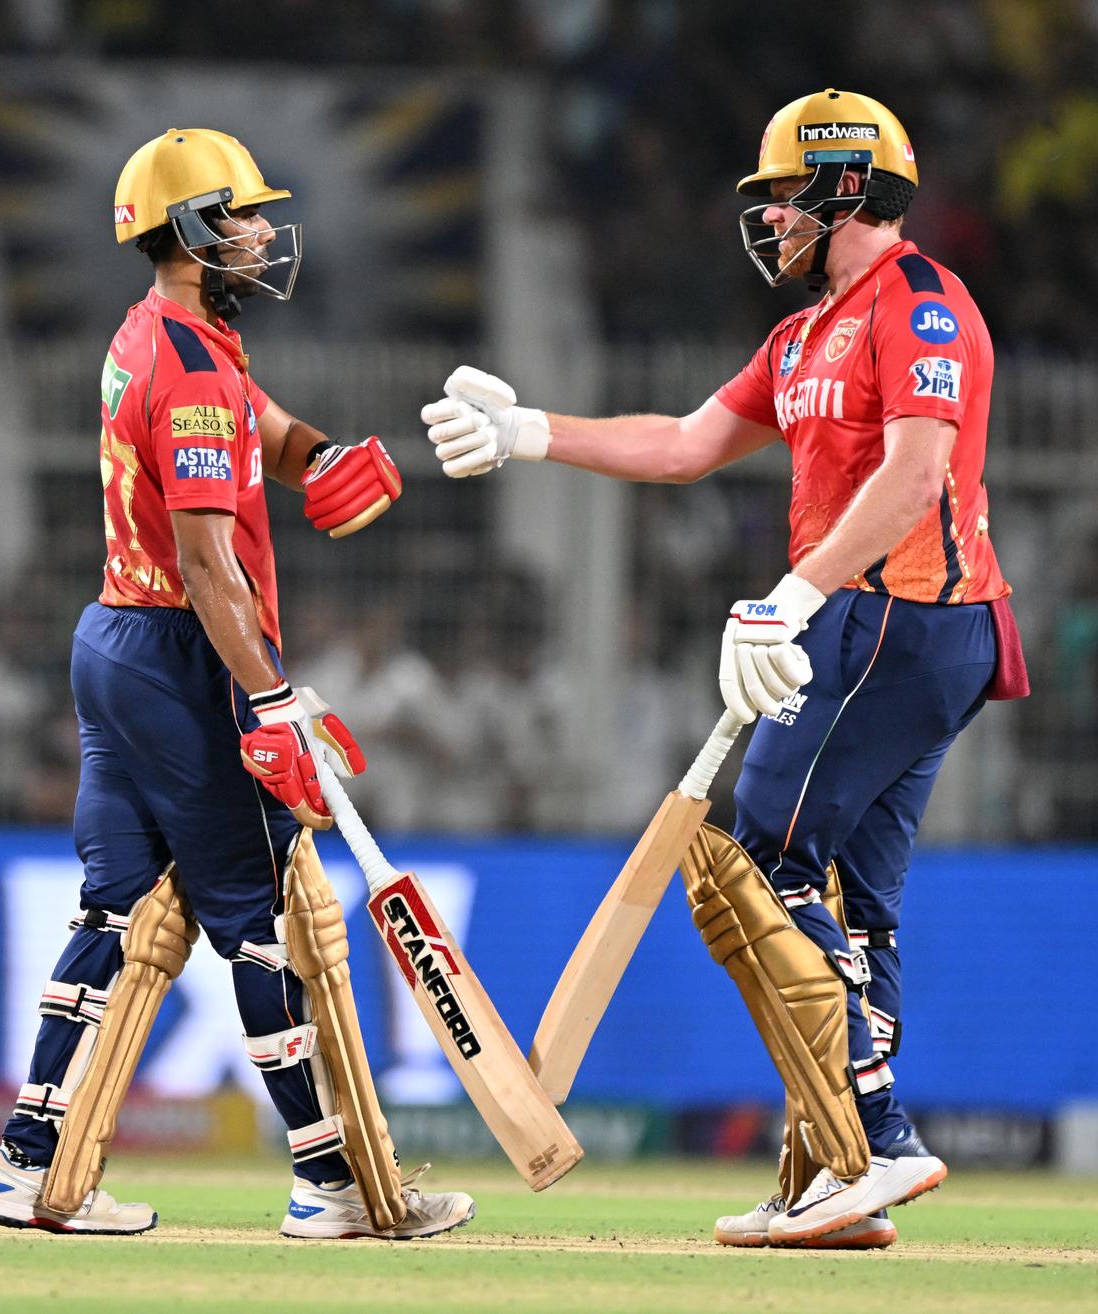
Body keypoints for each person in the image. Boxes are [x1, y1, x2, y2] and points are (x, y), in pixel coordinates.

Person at [420, 89, 1028, 1249]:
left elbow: (914, 475)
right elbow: (688, 444)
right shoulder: (803, 335)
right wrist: (531, 433)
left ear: (847, 188)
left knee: (759, 861)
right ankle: (832, 1174)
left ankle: (876, 1144)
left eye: (786, 197)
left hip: (899, 612)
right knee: (852, 896)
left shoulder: (923, 305)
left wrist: (794, 596)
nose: (770, 221)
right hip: (873, 618)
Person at [0, 127, 473, 1239]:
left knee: (111, 908)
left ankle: (21, 1158)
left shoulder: (174, 338)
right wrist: (273, 696)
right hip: (182, 657)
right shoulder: (191, 369)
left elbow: (261, 434)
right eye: (241, 217)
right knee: (257, 923)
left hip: (115, 642)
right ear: (192, 230)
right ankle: (328, 1185)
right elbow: (207, 562)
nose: (260, 235)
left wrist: (323, 459)